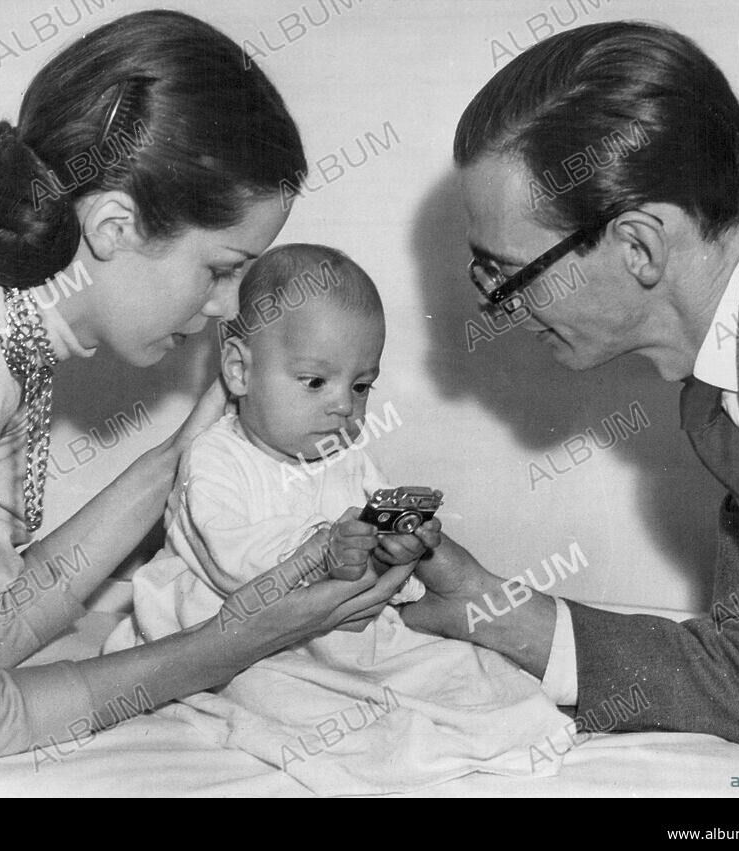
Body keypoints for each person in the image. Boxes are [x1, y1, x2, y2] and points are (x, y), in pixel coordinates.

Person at [0, 10, 413, 771]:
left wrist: (182, 455)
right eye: (221, 268)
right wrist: (220, 647)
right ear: (113, 224)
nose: (230, 309)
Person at [403, 20, 739, 749]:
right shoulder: (723, 400)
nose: (500, 307)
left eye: (506, 274)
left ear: (639, 244)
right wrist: (495, 610)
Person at [103, 244, 573, 793]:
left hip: (339, 624)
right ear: (239, 370)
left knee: (458, 670)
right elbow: (233, 558)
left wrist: (398, 546)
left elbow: (375, 552)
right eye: (314, 382)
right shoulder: (216, 457)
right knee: (283, 695)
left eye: (360, 386)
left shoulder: (348, 457)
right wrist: (322, 548)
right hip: (236, 626)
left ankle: (497, 721)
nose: (344, 407)